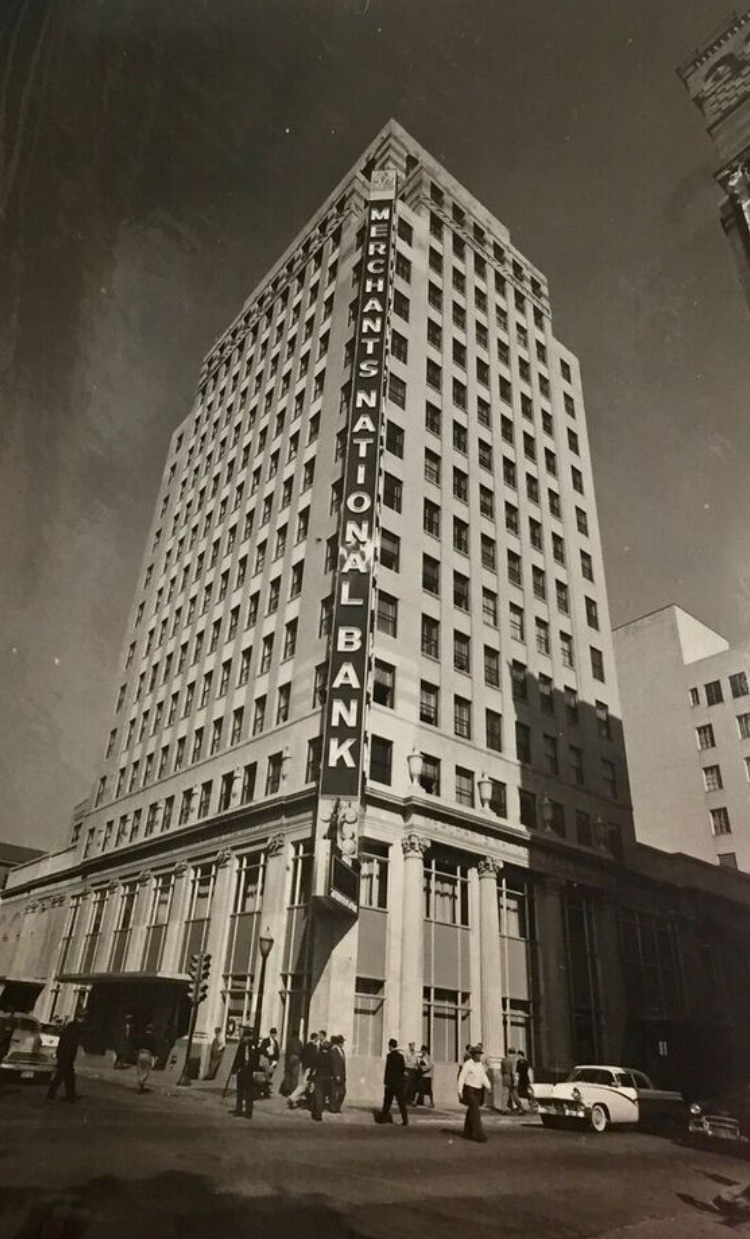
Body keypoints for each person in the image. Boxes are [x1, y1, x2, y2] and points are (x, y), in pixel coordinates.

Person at [457, 1045, 492, 1142]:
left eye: (480, 1054)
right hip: (469, 1090)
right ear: (473, 1054)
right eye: (477, 1054)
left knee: (471, 1111)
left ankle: (467, 1132)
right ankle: (479, 1135)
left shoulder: (480, 1064)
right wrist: (460, 1091)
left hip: (478, 1091)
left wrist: (488, 1086)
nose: (479, 1056)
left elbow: (483, 1076)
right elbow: (462, 1077)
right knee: (476, 1112)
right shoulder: (468, 1064)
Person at [47, 1015, 83, 1102]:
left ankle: (71, 1095)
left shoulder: (70, 1026)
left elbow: (63, 1041)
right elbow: (72, 1044)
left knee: (69, 1076)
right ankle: (51, 1095)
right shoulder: (75, 1028)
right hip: (67, 1055)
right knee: (60, 1076)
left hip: (64, 1055)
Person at [377, 1038, 408, 1126]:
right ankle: (405, 1120)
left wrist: (386, 1082)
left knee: (387, 1102)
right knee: (401, 1103)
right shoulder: (401, 1057)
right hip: (399, 1083)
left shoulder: (389, 1056)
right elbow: (403, 1069)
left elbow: (388, 1070)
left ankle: (383, 1119)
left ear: (390, 1046)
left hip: (391, 1083)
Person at [230, 1027, 260, 1118]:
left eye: (248, 1037)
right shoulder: (241, 1045)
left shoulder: (253, 1046)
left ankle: (248, 1112)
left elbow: (256, 1059)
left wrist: (255, 1070)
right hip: (242, 1070)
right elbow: (237, 1058)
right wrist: (234, 1070)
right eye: (245, 1037)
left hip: (249, 1071)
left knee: (249, 1092)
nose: (246, 1039)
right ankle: (238, 1110)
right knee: (240, 1092)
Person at [288, 1032, 318, 1108]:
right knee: (305, 1084)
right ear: (315, 1038)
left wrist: (304, 1064)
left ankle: (307, 1100)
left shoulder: (306, 1045)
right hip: (310, 1068)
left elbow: (302, 1055)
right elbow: (314, 1059)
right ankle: (293, 1097)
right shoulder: (314, 1047)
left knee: (308, 1084)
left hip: (305, 1067)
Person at [310, 1035, 333, 1121]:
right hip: (327, 1078)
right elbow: (332, 1068)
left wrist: (310, 1076)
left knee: (318, 1095)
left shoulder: (318, 1055)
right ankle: (320, 1110)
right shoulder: (330, 1057)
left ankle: (318, 1113)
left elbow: (313, 1066)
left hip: (319, 1077)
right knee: (323, 1095)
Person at [135, 1024, 158, 1093]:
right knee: (146, 1072)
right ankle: (142, 1081)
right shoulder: (153, 1039)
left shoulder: (142, 1037)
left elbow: (137, 1046)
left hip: (140, 1054)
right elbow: (154, 1049)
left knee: (140, 1070)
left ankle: (140, 1085)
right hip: (148, 1055)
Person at [280, 1033, 302, 1098]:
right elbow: (301, 1051)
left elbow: (288, 1051)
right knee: (295, 1075)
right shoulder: (299, 1042)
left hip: (290, 1057)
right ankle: (293, 1090)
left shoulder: (289, 1041)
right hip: (297, 1058)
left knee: (288, 1074)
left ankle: (287, 1090)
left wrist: (286, 1061)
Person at [329, 1035, 347, 1113]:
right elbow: (334, 1064)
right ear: (339, 1043)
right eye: (342, 1042)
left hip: (342, 1076)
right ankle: (333, 1108)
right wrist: (337, 1075)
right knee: (334, 1092)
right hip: (336, 1075)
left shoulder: (342, 1051)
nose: (343, 1044)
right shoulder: (334, 1051)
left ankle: (337, 1106)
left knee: (343, 1092)